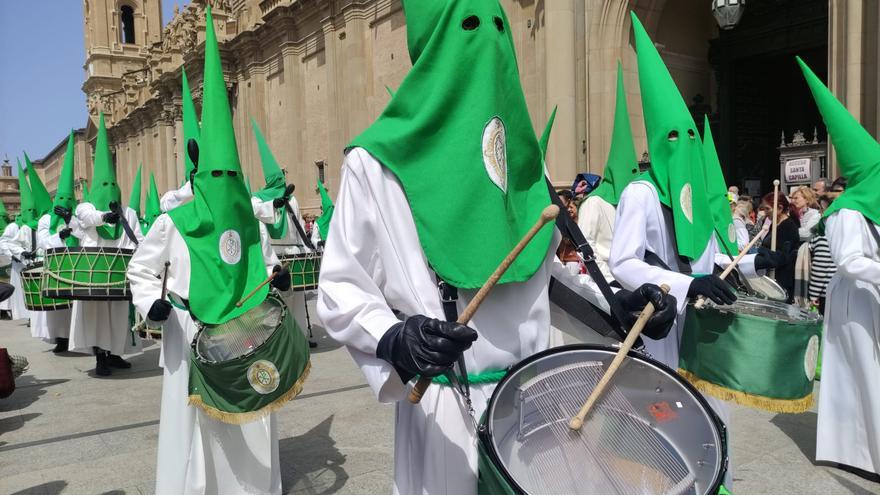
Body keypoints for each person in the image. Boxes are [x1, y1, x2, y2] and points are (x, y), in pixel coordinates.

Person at [317, 3, 677, 493]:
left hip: (538, 402)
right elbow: (341, 287)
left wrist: (615, 309)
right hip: (447, 414)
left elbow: (541, 278)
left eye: (498, 26)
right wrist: (395, 338)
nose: (487, 43)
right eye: (467, 27)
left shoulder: (529, 168)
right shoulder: (373, 166)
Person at [609, 17, 784, 488]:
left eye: (688, 135)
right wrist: (685, 285)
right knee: (659, 428)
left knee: (710, 417)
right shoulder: (641, 195)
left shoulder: (699, 194)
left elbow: (711, 261)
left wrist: (751, 262)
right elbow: (622, 262)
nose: (683, 146)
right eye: (672, 137)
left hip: (703, 331)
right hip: (662, 329)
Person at [128, 7, 292, 493]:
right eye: (214, 176)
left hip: (244, 331)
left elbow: (263, 261)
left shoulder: (247, 218)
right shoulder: (171, 222)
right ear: (199, 177)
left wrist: (277, 273)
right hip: (189, 330)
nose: (223, 185)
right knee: (194, 422)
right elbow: (141, 269)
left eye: (229, 176)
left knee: (250, 415)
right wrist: (149, 304)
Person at [800, 57, 880, 479]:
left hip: (871, 297)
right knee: (860, 372)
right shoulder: (847, 211)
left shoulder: (870, 208)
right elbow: (850, 262)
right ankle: (859, 453)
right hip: (855, 302)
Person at [69, 113, 142, 376]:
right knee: (97, 317)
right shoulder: (87, 206)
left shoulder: (129, 212)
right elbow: (85, 218)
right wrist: (103, 217)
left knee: (118, 317)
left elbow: (139, 238)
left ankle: (114, 353)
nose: (109, 188)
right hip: (94, 274)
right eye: (105, 184)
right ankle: (100, 356)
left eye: (113, 183)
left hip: (119, 272)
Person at [250, 119, 318, 348]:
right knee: (274, 304)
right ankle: (278, 343)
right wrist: (274, 204)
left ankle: (299, 338)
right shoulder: (258, 198)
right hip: (272, 259)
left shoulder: (294, 199)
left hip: (293, 253)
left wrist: (307, 251)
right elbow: (254, 212)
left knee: (297, 302)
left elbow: (299, 226)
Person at [578, 62, 640, 282]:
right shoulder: (594, 203)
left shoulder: (632, 203)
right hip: (606, 284)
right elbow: (585, 245)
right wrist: (608, 281)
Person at [34, 131, 80, 353]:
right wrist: (58, 236)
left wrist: (72, 222)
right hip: (54, 267)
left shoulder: (77, 215)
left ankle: (74, 336)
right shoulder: (45, 219)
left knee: (74, 306)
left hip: (74, 265)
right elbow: (43, 242)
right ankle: (60, 338)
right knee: (57, 308)